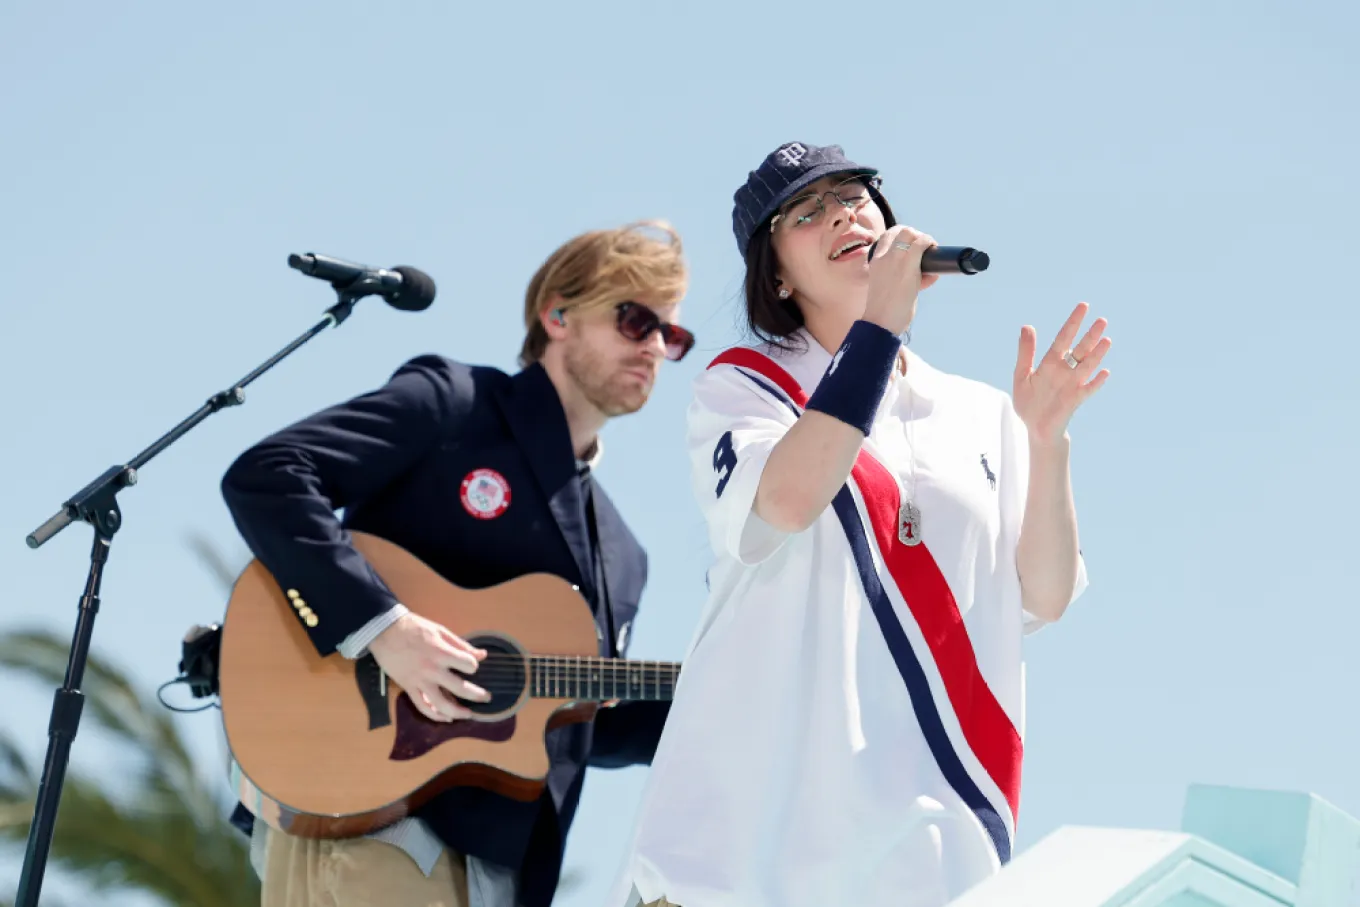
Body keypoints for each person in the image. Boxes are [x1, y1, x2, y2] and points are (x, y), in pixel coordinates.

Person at [608, 142, 1109, 907]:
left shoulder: (980, 411)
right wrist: (880, 325)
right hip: (737, 863)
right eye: (806, 211)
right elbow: (785, 499)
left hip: (926, 865)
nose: (844, 213)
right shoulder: (747, 383)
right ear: (776, 273)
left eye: (858, 195)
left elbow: (1044, 594)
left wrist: (1046, 442)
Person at [218, 220, 694, 907]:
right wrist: (386, 628)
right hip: (373, 823)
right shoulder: (456, 404)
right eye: (635, 319)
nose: (654, 346)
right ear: (556, 314)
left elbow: (577, 718)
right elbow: (270, 476)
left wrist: (722, 698)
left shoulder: (624, 553)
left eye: (671, 336)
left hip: (503, 868)